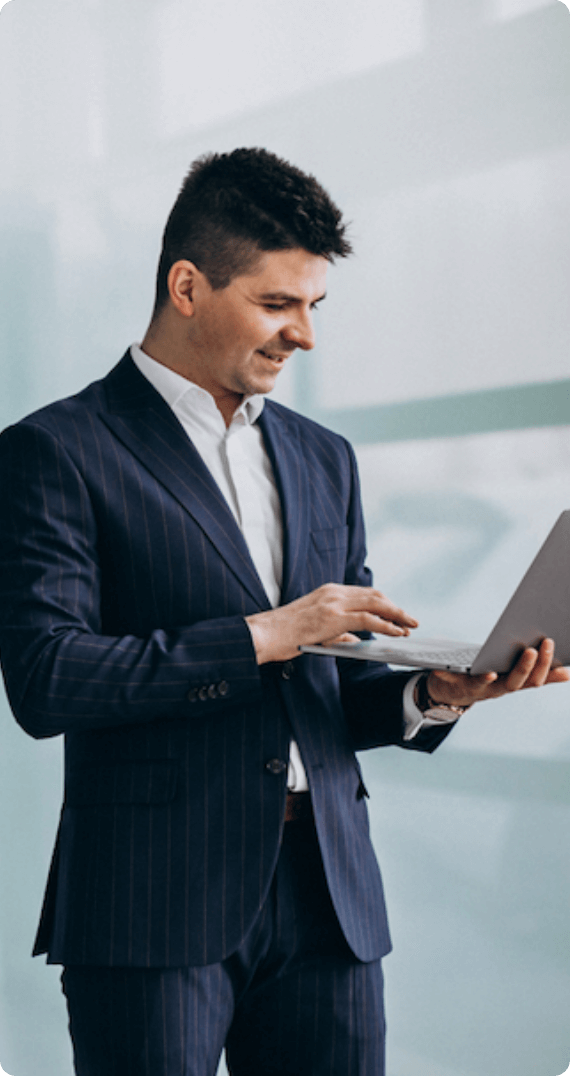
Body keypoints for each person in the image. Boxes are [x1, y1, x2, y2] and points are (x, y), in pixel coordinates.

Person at [0, 147, 566, 1076]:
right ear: (187, 285)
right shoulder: (57, 451)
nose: (304, 334)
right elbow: (47, 679)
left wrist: (437, 694)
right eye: (277, 304)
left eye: (315, 306)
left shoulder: (323, 457)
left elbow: (329, 695)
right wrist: (271, 633)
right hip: (152, 905)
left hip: (328, 899)